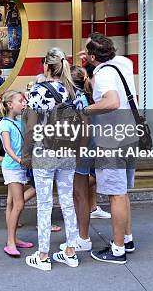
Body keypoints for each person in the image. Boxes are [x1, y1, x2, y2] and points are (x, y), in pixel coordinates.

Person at [23, 47, 83, 271]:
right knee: (67, 201)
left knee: (45, 203)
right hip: (67, 151)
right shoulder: (72, 90)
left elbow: (30, 126)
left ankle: (43, 255)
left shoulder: (38, 90)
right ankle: (71, 251)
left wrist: (26, 153)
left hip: (44, 151)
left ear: (46, 66)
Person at [81, 32, 137, 264]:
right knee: (122, 192)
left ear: (93, 56)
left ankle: (117, 250)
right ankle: (127, 239)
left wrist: (87, 110)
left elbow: (111, 101)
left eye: (86, 50)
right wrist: (92, 60)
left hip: (112, 140)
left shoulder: (103, 74)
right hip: (129, 134)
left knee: (115, 195)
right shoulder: (123, 64)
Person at [68, 65, 111, 255]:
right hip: (86, 148)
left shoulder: (78, 98)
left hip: (81, 150)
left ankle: (83, 237)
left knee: (79, 194)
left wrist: (79, 150)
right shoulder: (84, 96)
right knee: (79, 193)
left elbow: (84, 128)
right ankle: (81, 235)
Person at [0, 90, 36, 257]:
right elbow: (7, 148)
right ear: (10, 105)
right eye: (20, 101)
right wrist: (20, 160)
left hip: (19, 166)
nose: (23, 103)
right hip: (12, 167)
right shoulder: (4, 124)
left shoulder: (20, 120)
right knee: (18, 204)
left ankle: (14, 238)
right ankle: (10, 242)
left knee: (11, 203)